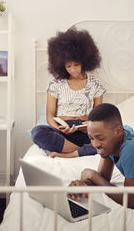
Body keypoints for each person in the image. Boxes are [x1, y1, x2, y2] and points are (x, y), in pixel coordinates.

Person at [31, 27, 105, 158]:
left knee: (109, 139)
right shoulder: (56, 84)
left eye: (76, 65)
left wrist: (86, 126)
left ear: (84, 61)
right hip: (62, 131)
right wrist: (58, 128)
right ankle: (79, 151)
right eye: (68, 66)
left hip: (85, 130)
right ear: (61, 65)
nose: (73, 70)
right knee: (37, 132)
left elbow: (98, 117)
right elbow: (50, 116)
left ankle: (67, 153)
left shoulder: (96, 85)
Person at [69, 103, 134, 209]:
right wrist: (83, 184)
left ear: (118, 131)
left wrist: (92, 175)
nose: (95, 144)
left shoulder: (132, 150)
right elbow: (103, 178)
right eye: (91, 138)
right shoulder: (113, 140)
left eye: (100, 138)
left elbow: (131, 202)